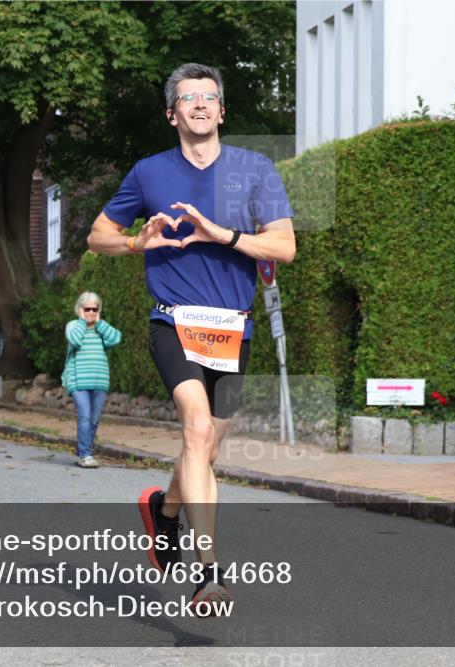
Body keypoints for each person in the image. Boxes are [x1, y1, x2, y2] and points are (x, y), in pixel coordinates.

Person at [87, 62, 296, 615]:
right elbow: (97, 236)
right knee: (197, 428)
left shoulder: (255, 170)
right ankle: (207, 576)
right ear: (171, 113)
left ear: (222, 110)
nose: (199, 105)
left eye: (209, 97)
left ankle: (166, 512)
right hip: (173, 323)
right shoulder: (149, 173)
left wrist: (222, 234)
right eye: (188, 98)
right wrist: (138, 245)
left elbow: (284, 247)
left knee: (204, 447)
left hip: (233, 329)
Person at [62, 292, 122, 469]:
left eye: (94, 309)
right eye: (86, 309)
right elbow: (75, 340)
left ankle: (85, 450)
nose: (90, 312)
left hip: (99, 381)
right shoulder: (73, 326)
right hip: (78, 381)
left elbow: (116, 338)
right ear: (79, 309)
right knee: (85, 416)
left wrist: (100, 323)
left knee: (94, 420)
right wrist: (82, 321)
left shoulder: (100, 328)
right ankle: (85, 455)